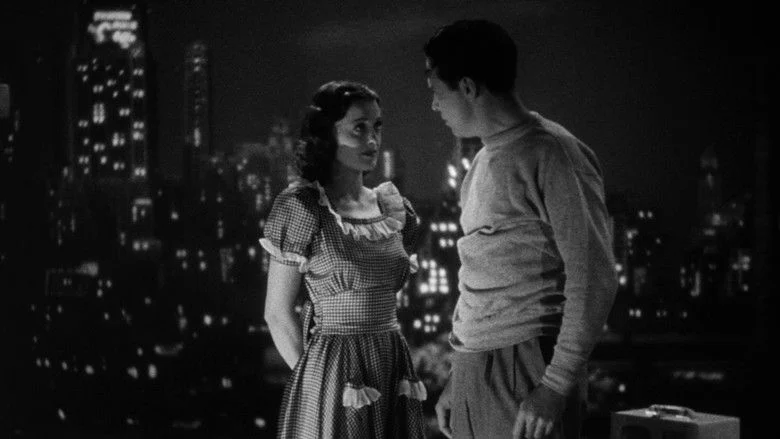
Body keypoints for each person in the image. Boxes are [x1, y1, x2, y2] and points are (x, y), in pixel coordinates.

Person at [424, 20, 618, 439]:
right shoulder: (481, 163)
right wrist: (461, 376)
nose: (434, 106)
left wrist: (554, 385)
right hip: (477, 365)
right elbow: (482, 278)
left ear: (468, 87)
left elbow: (593, 277)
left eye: (437, 92)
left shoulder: (553, 153)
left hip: (527, 361)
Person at [260, 80, 426, 439]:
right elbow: (276, 313)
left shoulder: (395, 210)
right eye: (358, 128)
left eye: (377, 126)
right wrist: (315, 380)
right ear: (327, 135)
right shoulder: (303, 208)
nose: (372, 139)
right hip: (334, 369)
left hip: (391, 360)